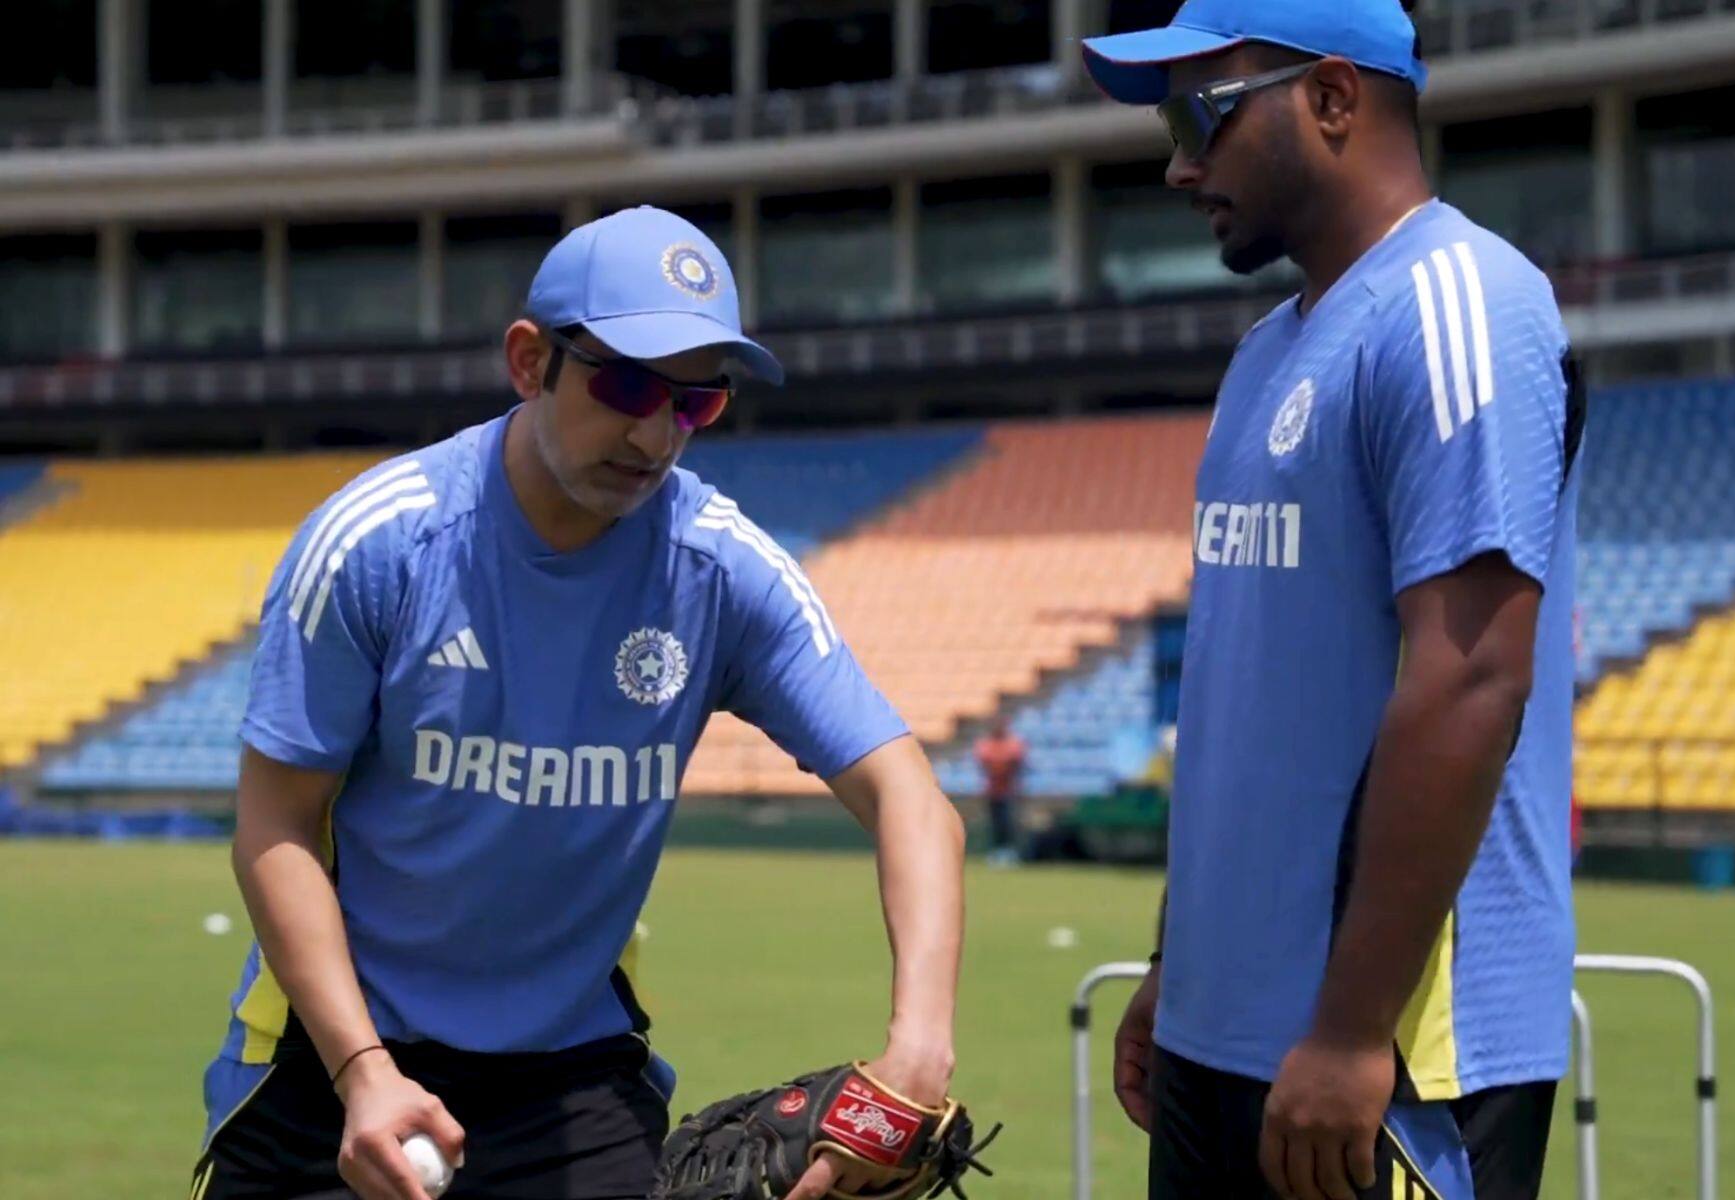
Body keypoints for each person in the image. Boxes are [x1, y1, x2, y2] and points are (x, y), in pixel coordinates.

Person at [191, 206, 966, 1200]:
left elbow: (911, 798)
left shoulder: (720, 571)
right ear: (529, 362)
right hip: (334, 1060)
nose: (653, 433)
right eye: (628, 384)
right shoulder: (377, 544)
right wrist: (364, 1071)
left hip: (572, 1078)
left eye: (695, 403)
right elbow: (274, 824)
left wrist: (917, 1052)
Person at [1081, 2, 1584, 1198]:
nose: (1177, 160)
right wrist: (1179, 962)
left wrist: (1356, 1027)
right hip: (1228, 1028)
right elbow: (1244, 700)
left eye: (1201, 111)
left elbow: (1471, 676)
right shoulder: (1264, 355)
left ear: (1335, 99)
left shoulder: (1461, 301)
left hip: (1391, 1053)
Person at [972, 717, 1028, 865]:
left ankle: (1010, 852)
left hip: (1009, 789)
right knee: (995, 823)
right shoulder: (986, 743)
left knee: (1008, 822)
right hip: (992, 790)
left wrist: (1002, 769)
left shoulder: (1012, 743)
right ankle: (996, 851)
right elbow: (984, 762)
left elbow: (1015, 762)